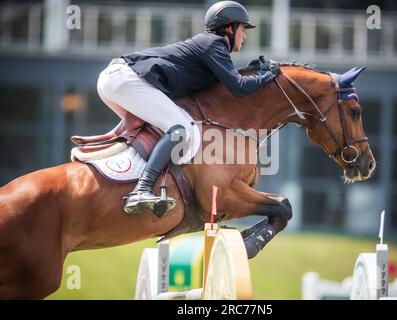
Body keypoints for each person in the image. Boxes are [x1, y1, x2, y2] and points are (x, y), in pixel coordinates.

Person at [96, 1, 280, 217]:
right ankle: (142, 189)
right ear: (230, 28)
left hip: (117, 80)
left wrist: (255, 71)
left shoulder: (209, 46)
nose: (244, 36)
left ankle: (137, 182)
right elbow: (238, 87)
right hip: (126, 80)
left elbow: (223, 83)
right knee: (181, 129)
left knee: (161, 133)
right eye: (242, 29)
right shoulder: (214, 43)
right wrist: (269, 76)